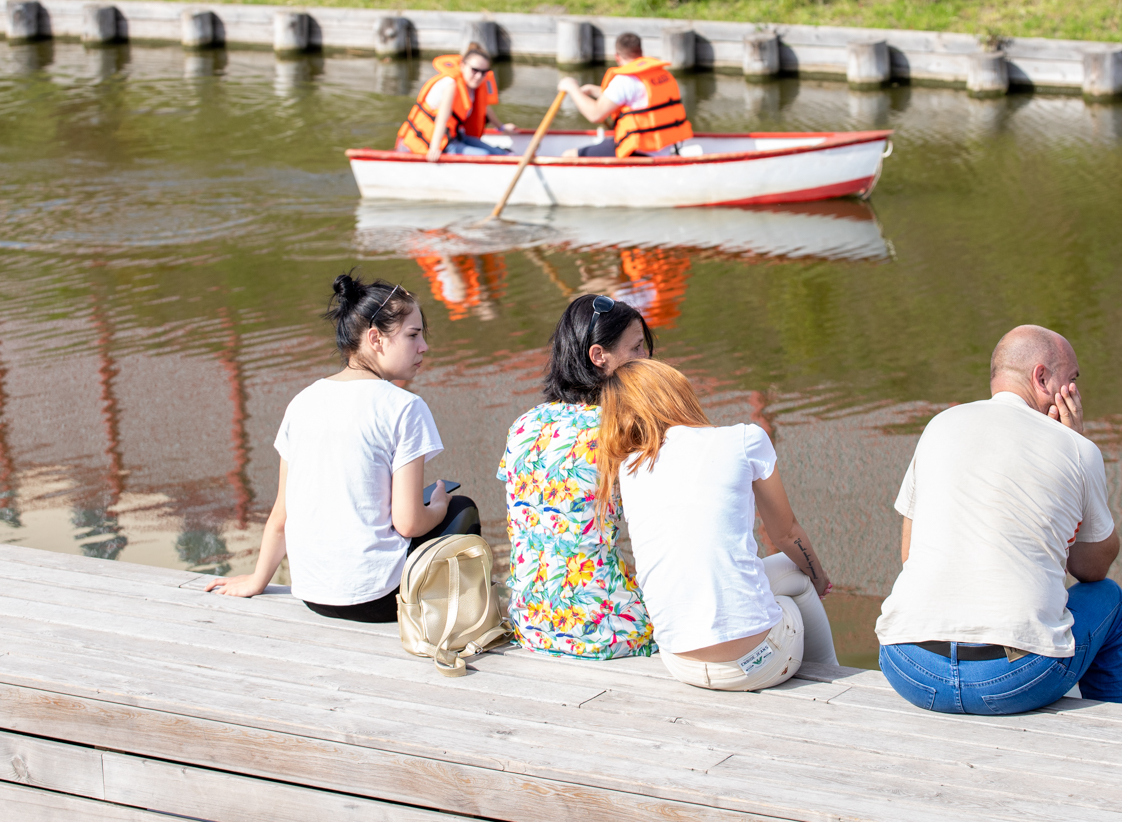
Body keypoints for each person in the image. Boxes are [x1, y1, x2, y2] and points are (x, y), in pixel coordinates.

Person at [876, 325, 1122, 715]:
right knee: (1112, 602)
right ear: (1042, 378)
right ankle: (1117, 735)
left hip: (910, 668)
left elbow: (909, 554)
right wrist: (1075, 442)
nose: (1077, 393)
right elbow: (1090, 568)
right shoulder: (1077, 448)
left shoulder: (939, 426)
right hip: (1013, 679)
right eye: (1073, 380)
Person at [206, 274, 481, 622]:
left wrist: (258, 580)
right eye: (413, 335)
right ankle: (458, 619)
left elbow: (281, 515)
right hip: (380, 598)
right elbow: (409, 522)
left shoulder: (302, 401)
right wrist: (440, 507)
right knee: (462, 508)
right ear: (375, 338)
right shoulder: (404, 406)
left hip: (312, 594)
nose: (424, 346)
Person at [595, 359, 837, 691]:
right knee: (796, 577)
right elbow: (787, 534)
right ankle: (833, 678)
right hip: (756, 664)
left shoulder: (629, 468)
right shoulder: (744, 440)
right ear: (676, 392)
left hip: (680, 663)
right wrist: (820, 577)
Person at [497, 294, 657, 659]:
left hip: (533, 623)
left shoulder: (524, 425)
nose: (646, 359)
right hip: (607, 627)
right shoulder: (621, 430)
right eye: (635, 348)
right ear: (599, 356)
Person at [558, 32, 694, 158]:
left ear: (617, 56)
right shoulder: (662, 74)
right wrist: (595, 90)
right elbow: (639, 99)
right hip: (665, 146)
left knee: (569, 155)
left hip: (638, 150)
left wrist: (572, 87)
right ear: (641, 52)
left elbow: (595, 115)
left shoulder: (625, 80)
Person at [397, 43, 515, 160]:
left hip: (454, 136)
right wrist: (434, 149)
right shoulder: (450, 85)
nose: (479, 76)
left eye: (484, 72)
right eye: (474, 70)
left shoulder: (472, 87)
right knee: (484, 154)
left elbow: (485, 109)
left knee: (499, 152)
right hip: (434, 141)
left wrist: (502, 128)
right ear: (463, 66)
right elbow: (442, 119)